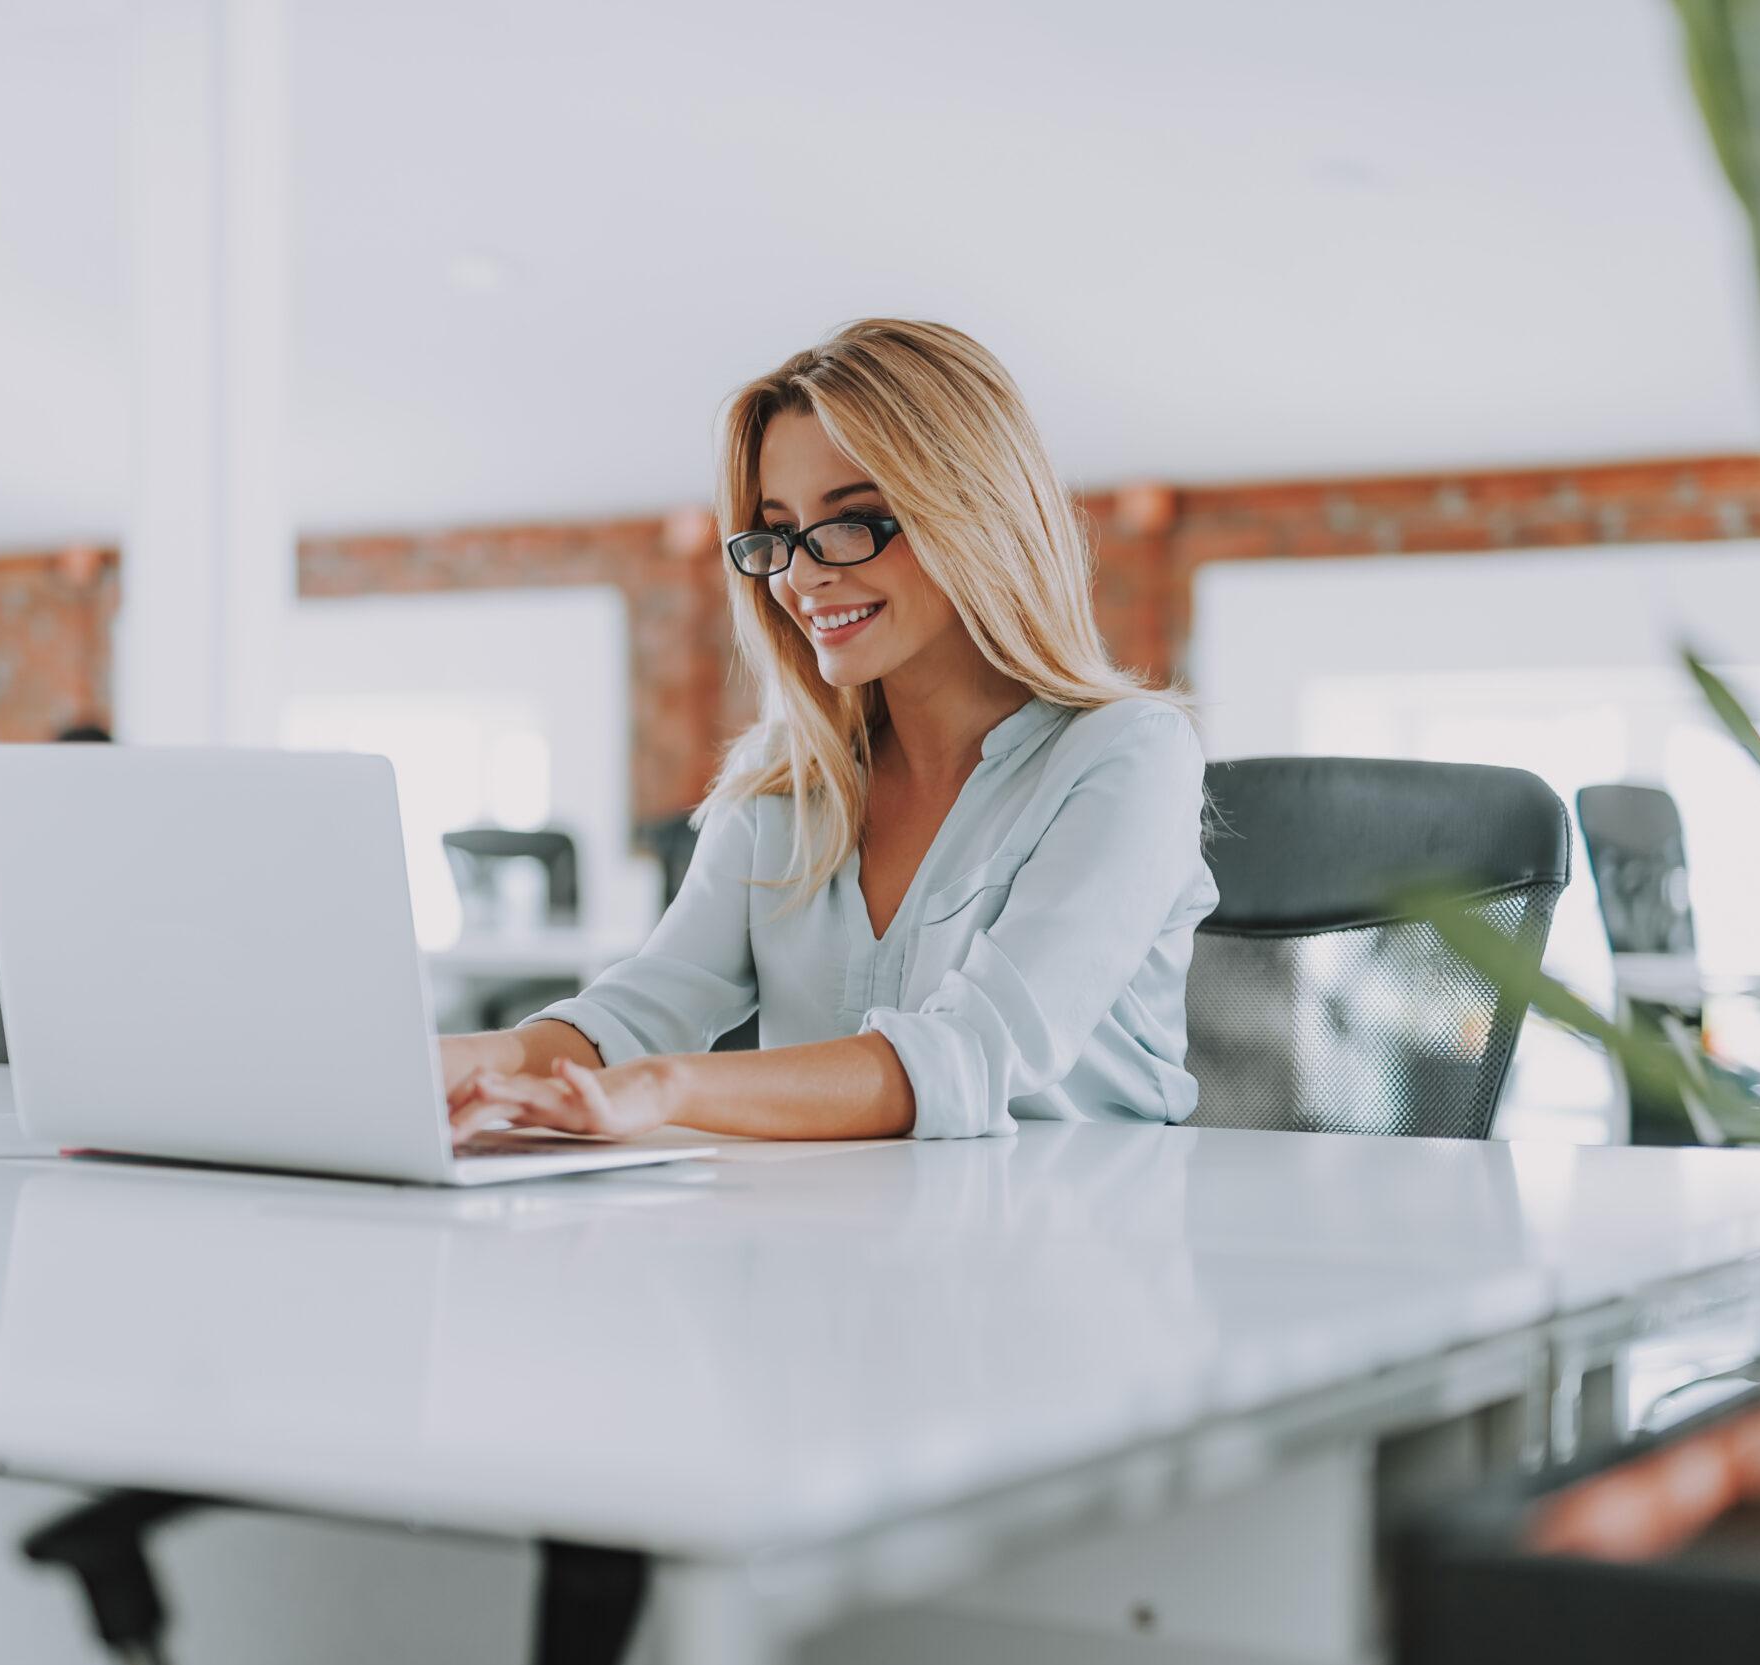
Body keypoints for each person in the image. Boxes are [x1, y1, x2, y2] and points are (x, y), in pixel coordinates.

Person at [443, 319, 1216, 1142]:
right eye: (778, 533)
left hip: (1066, 1242)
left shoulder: (1128, 755)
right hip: (835, 1239)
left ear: (971, 514)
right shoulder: (782, 781)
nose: (803, 575)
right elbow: (637, 1011)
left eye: (852, 520)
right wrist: (434, 1064)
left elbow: (973, 1054)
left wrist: (665, 1090)